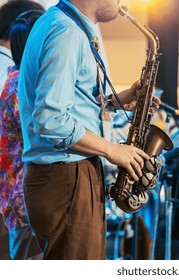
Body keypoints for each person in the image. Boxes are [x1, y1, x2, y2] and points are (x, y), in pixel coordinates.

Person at [18, 0, 157, 260]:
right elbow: (50, 119)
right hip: (67, 176)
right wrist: (113, 150)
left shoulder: (62, 23)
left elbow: (71, 99)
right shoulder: (67, 32)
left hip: (67, 174)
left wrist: (116, 100)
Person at [0, 0, 47, 260]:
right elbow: (43, 132)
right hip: (23, 195)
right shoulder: (19, 82)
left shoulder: (15, 77)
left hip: (20, 196)